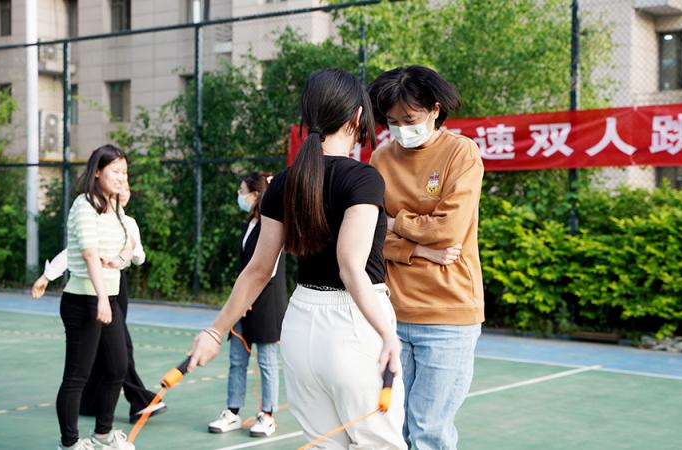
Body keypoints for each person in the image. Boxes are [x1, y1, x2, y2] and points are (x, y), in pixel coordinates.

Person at [187, 68, 407, 449]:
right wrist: (387, 334)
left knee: (322, 444)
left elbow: (257, 270)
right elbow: (350, 267)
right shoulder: (363, 179)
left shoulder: (284, 183)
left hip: (301, 325)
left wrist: (215, 331)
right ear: (357, 116)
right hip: (355, 323)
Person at [368, 65, 485, 450]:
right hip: (391, 315)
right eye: (392, 122)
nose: (401, 129)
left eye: (410, 119)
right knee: (394, 427)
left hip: (448, 315)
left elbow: (449, 230)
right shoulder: (380, 159)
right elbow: (368, 235)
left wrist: (395, 221)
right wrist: (417, 247)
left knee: (428, 431)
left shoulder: (461, 153)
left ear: (435, 110)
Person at [31, 181, 167, 425]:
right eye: (118, 183)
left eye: (126, 186)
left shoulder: (129, 223)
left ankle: (104, 404)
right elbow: (74, 252)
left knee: (116, 350)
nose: (123, 191)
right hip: (89, 291)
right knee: (109, 351)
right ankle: (134, 401)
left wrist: (123, 255)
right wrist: (47, 276)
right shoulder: (93, 215)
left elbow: (139, 256)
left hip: (115, 288)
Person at [54, 144, 135, 450]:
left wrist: (120, 259)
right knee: (78, 375)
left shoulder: (115, 208)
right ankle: (70, 443)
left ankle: (103, 434)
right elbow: (89, 254)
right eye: (116, 171)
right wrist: (101, 298)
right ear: (98, 172)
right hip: (84, 300)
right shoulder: (84, 205)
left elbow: (129, 243)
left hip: (108, 298)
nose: (121, 177)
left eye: (124, 172)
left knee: (117, 367)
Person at [207, 172, 287, 437]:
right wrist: (239, 302)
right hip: (243, 303)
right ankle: (232, 411)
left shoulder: (273, 225)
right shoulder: (250, 224)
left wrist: (248, 301)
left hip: (266, 305)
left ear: (255, 195)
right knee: (237, 359)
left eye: (242, 191)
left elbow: (267, 271)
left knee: (266, 361)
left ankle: (267, 415)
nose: (239, 196)